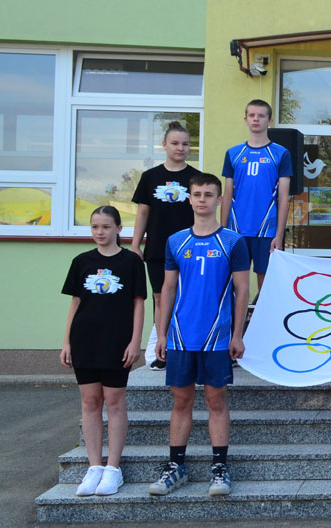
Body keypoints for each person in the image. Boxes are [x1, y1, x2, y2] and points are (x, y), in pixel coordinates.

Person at [150, 174, 250, 497]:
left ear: (219, 200)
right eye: (197, 194)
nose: (202, 199)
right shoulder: (176, 241)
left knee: (215, 400)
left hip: (217, 337)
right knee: (181, 401)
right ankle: (175, 466)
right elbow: (167, 289)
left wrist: (238, 334)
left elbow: (242, 290)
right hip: (181, 336)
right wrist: (161, 334)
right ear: (189, 199)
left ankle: (219, 467)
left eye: (208, 194)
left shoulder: (233, 242)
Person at [60, 206, 146, 496]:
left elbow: (138, 303)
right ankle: (94, 466)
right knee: (90, 402)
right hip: (84, 340)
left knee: (114, 402)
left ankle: (112, 468)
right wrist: (66, 342)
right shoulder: (81, 261)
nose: (100, 232)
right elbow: (75, 303)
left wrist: (135, 341)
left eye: (106, 226)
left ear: (119, 229)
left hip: (117, 342)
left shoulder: (131, 262)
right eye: (95, 226)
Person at [130, 121, 199, 369]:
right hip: (158, 248)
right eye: (175, 143)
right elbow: (143, 213)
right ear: (164, 145)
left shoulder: (196, 178)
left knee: (188, 297)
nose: (180, 148)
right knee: (160, 298)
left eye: (185, 144)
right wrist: (135, 245)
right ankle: (163, 351)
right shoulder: (150, 177)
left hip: (189, 249)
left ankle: (188, 349)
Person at [220, 99, 292, 294]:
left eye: (261, 115)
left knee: (266, 286)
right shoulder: (233, 153)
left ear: (270, 120)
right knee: (235, 284)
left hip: (266, 231)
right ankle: (237, 316)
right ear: (245, 119)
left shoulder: (281, 154)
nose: (256, 119)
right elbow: (227, 195)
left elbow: (283, 198)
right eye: (252, 115)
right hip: (237, 230)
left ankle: (265, 316)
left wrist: (279, 235)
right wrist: (222, 232)